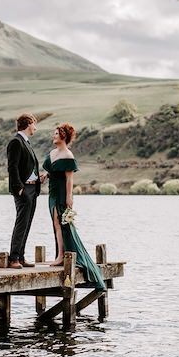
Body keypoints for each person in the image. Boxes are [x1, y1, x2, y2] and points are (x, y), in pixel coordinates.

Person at [42, 123, 105, 291]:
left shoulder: (68, 155)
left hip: (62, 193)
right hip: (52, 193)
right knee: (56, 223)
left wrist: (70, 198)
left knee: (62, 224)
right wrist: (45, 175)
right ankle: (60, 255)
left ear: (63, 137)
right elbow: (52, 170)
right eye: (54, 133)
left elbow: (69, 179)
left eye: (56, 134)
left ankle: (62, 255)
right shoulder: (53, 153)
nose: (53, 136)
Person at [6, 113, 46, 270]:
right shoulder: (16, 142)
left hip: (32, 187)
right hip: (23, 189)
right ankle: (13, 258)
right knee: (21, 223)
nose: (35, 127)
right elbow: (12, 167)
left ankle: (21, 257)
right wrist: (19, 188)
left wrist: (37, 179)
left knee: (27, 223)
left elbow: (27, 167)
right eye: (34, 124)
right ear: (28, 124)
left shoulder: (26, 142)